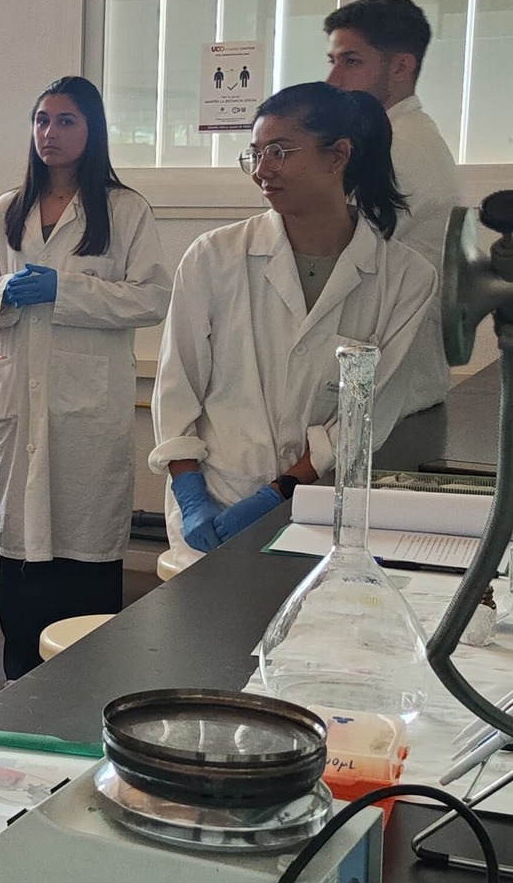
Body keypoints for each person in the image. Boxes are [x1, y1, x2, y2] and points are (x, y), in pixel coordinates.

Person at [151, 82, 438, 557]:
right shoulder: (213, 257)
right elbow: (177, 386)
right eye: (255, 154)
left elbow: (369, 413)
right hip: (213, 501)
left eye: (279, 152)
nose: (262, 170)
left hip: (321, 508)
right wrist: (190, 496)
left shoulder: (406, 279)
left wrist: (280, 491)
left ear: (337, 156)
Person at [0, 76, 171, 679]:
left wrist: (65, 291)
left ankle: (86, 686)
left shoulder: (124, 210)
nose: (50, 132)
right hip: (18, 404)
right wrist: (6, 289)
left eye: (66, 121)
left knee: (84, 548)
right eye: (42, 120)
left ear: (92, 129)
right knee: (22, 552)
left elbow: (152, 297)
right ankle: (20, 685)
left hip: (86, 412)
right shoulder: (7, 209)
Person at [324, 0, 464, 460]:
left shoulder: (398, 149)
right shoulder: (413, 137)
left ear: (402, 66)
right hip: (391, 386)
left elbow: (330, 254)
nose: (333, 79)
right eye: (332, 61)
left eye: (351, 61)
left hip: (389, 395)